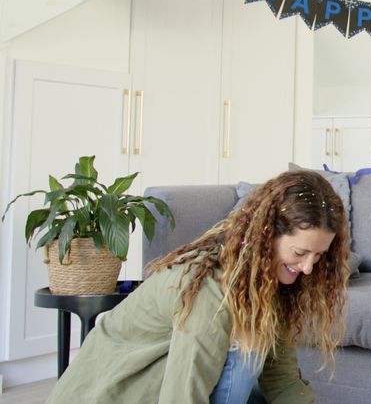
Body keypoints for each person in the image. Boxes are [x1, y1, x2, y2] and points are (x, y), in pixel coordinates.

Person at [47, 169, 351, 403]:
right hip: (113, 394)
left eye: (319, 255)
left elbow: (281, 378)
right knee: (249, 353)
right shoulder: (209, 289)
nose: (309, 267)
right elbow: (184, 394)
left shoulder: (268, 281)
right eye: (299, 253)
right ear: (265, 237)